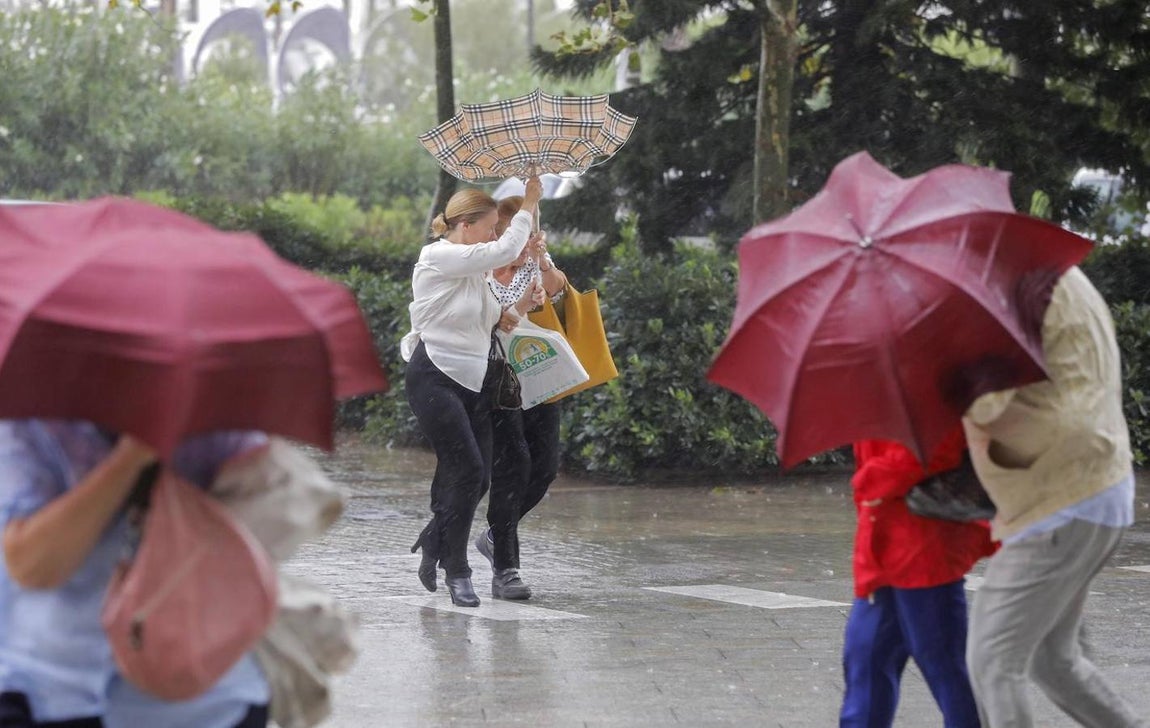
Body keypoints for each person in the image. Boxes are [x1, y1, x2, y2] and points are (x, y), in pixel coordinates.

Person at [960, 266, 1146, 728]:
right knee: (1053, 659)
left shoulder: (1008, 286)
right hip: (1098, 485)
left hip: (1059, 497)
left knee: (992, 658)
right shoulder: (1054, 273)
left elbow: (989, 400)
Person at [0, 420, 270, 728]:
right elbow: (32, 567)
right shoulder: (31, 423)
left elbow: (268, 530)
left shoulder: (221, 426)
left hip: (203, 700)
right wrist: (131, 458)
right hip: (55, 691)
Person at [403, 179, 544, 608]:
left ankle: (434, 540)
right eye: (487, 229)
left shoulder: (473, 274)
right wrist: (530, 202)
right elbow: (499, 252)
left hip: (476, 381)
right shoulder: (437, 257)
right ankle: (457, 570)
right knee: (466, 470)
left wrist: (522, 304)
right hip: (435, 376)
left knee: (479, 475)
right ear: (464, 227)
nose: (493, 237)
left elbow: (494, 323)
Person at [840, 429, 995, 728]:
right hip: (881, 549)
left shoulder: (926, 385)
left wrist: (873, 479)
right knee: (867, 660)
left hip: (923, 552)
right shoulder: (872, 389)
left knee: (945, 667)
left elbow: (940, 445)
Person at [473, 195, 569, 600]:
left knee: (545, 466)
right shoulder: (476, 267)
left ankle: (494, 533)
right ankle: (506, 569)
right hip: (496, 378)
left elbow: (559, 288)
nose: (520, 238)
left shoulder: (532, 263)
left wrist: (542, 257)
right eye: (515, 230)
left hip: (538, 370)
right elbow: (485, 316)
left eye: (528, 230)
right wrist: (514, 306)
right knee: (513, 465)